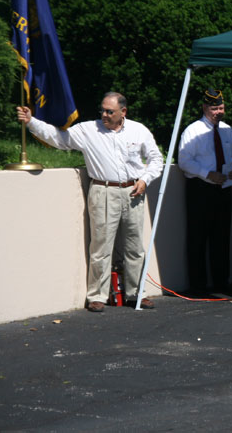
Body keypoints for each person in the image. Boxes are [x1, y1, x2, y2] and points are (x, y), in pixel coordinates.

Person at [16, 92, 163, 313]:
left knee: (135, 248)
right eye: (102, 110)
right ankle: (97, 296)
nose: (104, 115)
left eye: (109, 111)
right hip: (104, 191)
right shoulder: (88, 130)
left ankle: (136, 293)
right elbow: (59, 139)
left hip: (134, 191)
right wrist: (32, 122)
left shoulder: (138, 130)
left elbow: (156, 158)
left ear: (123, 112)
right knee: (101, 246)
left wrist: (145, 180)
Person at [178, 89, 232, 294]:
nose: (219, 112)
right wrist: (207, 174)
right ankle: (198, 286)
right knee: (198, 237)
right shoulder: (193, 131)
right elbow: (184, 161)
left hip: (223, 188)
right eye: (214, 108)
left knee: (222, 237)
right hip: (201, 189)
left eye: (221, 107)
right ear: (205, 108)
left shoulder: (227, 130)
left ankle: (221, 282)